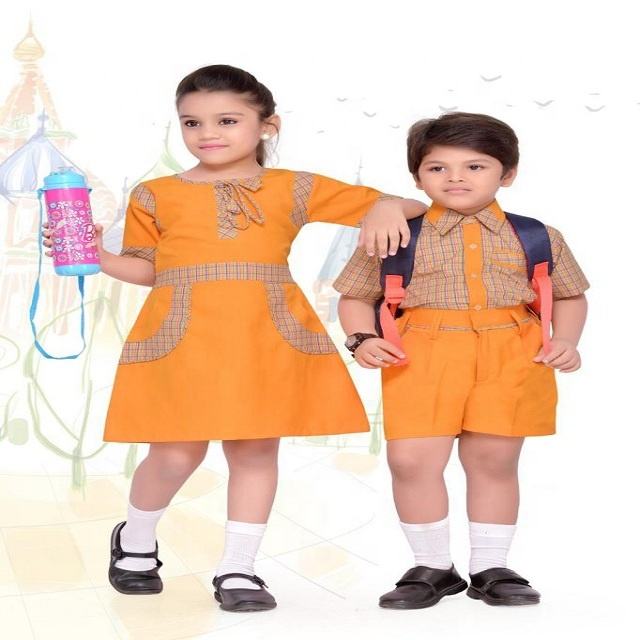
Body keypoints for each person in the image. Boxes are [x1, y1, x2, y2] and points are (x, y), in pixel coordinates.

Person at [42, 64, 425, 612]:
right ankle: (136, 538)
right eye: (191, 122)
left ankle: (239, 568)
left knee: (255, 450)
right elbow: (148, 268)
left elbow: (414, 206)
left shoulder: (294, 186)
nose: (208, 133)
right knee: (175, 454)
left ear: (267, 125)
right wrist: (97, 256)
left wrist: (385, 204)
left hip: (263, 334)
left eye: (226, 120)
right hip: (181, 333)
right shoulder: (155, 193)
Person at [335, 112, 589, 608]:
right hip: (421, 353)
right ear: (417, 177)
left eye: (475, 166)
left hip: (513, 352)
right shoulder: (394, 232)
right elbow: (355, 296)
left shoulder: (538, 235)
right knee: (410, 459)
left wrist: (567, 340)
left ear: (506, 174)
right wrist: (360, 338)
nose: (455, 178)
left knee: (493, 458)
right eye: (437, 168)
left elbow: (570, 295)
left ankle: (491, 565)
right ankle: (432, 565)